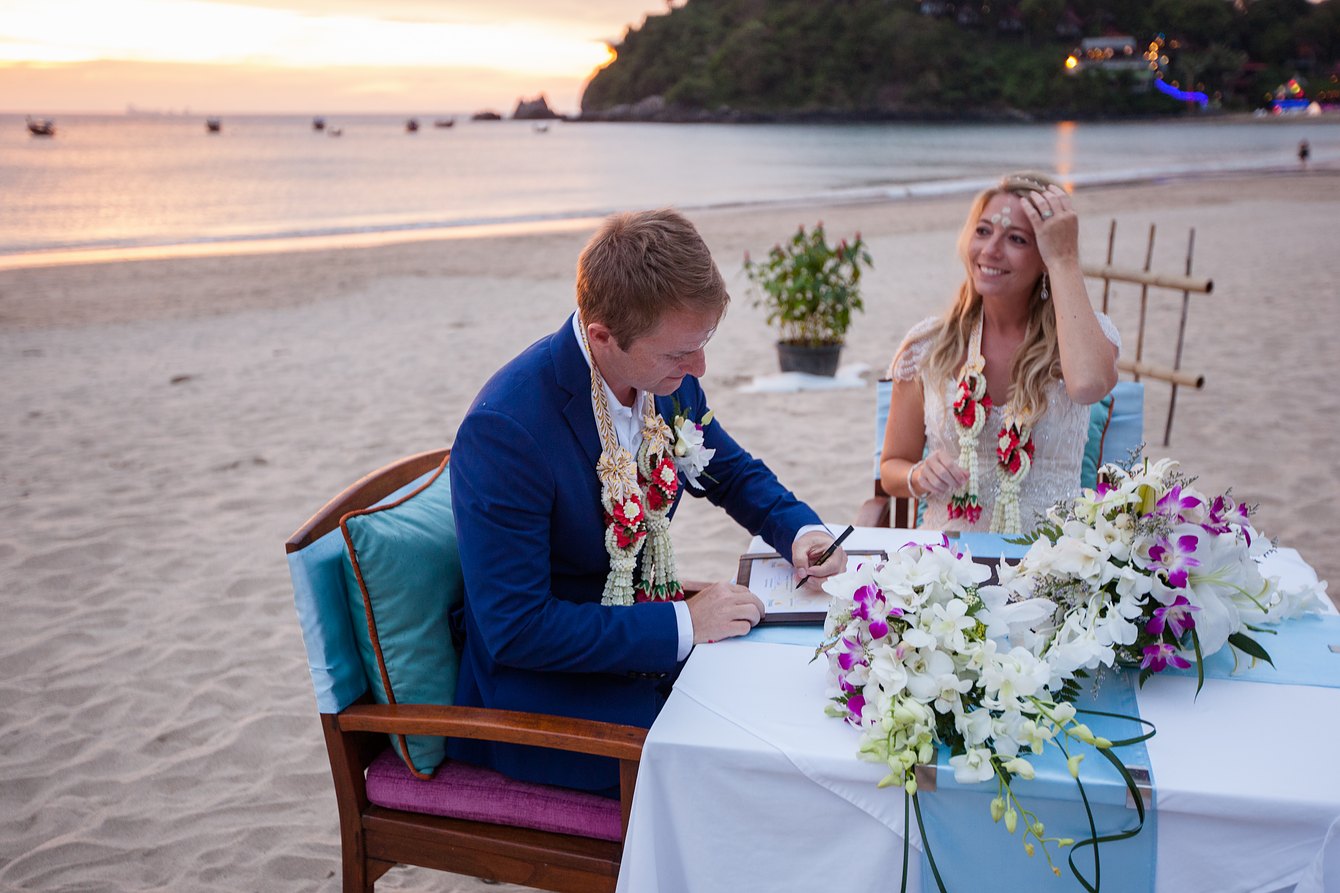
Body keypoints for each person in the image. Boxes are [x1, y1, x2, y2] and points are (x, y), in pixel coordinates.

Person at [448, 208, 846, 793]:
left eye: (704, 343)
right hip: (538, 695)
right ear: (603, 334)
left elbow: (729, 473)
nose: (698, 368)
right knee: (737, 767)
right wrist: (684, 622)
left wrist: (800, 532)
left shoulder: (665, 377)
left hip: (642, 642)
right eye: (680, 353)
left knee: (793, 701)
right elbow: (517, 630)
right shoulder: (508, 429)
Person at [881, 172, 1119, 535]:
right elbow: (892, 468)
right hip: (945, 567)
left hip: (1056, 567)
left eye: (1017, 239)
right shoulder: (928, 347)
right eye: (983, 231)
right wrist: (917, 474)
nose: (991, 250)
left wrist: (1065, 261)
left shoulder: (1085, 336)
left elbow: (1088, 386)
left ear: (1046, 255)